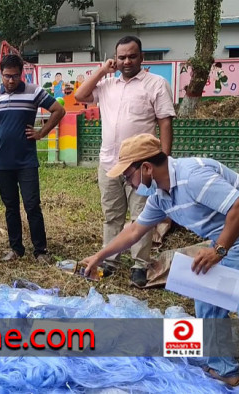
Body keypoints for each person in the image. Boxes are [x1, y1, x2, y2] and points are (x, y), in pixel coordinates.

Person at [81, 133, 239, 393]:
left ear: (146, 168)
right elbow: (134, 231)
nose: (128, 182)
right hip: (228, 240)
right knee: (206, 296)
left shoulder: (193, 177)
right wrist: (99, 256)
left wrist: (218, 251)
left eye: (128, 175)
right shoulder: (161, 195)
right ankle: (224, 369)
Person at [74, 35, 175, 287]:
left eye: (132, 56)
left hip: (142, 166)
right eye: (121, 57)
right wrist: (101, 71)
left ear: (141, 57)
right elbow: (81, 94)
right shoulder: (107, 84)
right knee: (112, 215)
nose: (127, 61)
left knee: (142, 215)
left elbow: (165, 121)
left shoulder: (156, 84)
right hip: (109, 163)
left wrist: (163, 159)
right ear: (115, 59)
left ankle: (139, 265)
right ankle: (110, 260)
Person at [0, 54, 65, 263]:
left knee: (32, 206)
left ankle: (40, 251)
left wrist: (41, 133)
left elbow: (58, 110)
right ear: (1, 74)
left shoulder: (34, 92)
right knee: (10, 207)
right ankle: (16, 248)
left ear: (22, 74)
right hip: (2, 163)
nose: (11, 81)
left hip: (26, 162)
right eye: (7, 76)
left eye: (15, 76)